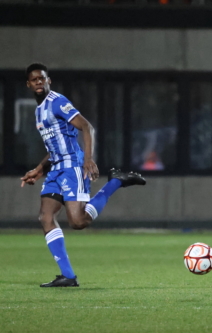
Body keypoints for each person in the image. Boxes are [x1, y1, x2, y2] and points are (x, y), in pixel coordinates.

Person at [22, 63, 146, 287]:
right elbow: (53, 147)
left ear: (49, 81)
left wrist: (88, 159)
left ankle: (115, 181)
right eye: (34, 80)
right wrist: (39, 169)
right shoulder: (38, 111)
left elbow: (87, 127)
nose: (39, 82)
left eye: (42, 78)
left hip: (71, 166)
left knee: (77, 221)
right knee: (45, 217)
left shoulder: (57, 102)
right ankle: (68, 276)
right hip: (56, 168)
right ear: (28, 84)